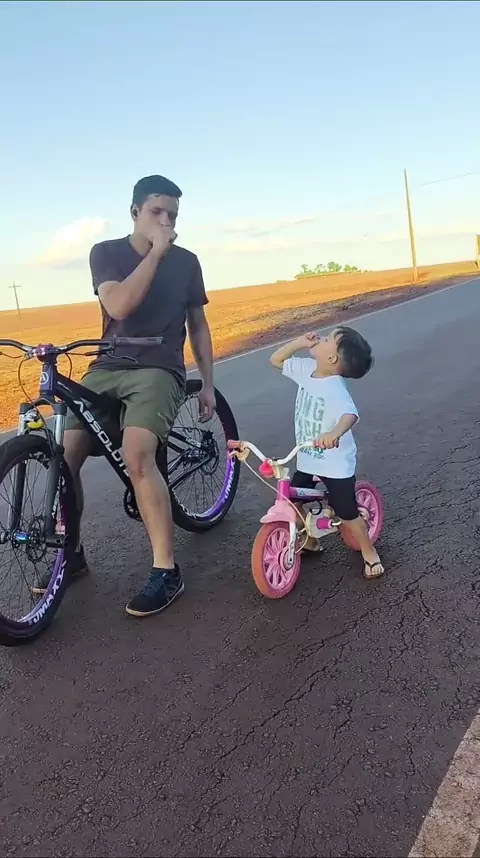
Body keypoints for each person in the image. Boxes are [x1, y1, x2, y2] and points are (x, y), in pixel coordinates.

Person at [33, 175, 216, 615]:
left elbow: (198, 325)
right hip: (107, 367)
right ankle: (71, 553)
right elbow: (117, 305)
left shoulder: (187, 262)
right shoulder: (106, 252)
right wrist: (154, 254)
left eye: (172, 215)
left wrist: (207, 384)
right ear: (135, 212)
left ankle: (166, 570)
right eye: (156, 212)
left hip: (159, 367)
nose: (166, 222)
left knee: (137, 454)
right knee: (66, 455)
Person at [269, 327, 384, 579]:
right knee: (292, 501)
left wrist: (334, 433)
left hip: (334, 463)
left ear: (331, 358)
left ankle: (368, 550)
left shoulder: (334, 387)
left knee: (346, 511)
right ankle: (309, 540)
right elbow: (275, 360)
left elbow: (350, 415)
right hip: (308, 457)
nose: (321, 337)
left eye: (329, 339)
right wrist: (299, 342)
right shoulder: (306, 369)